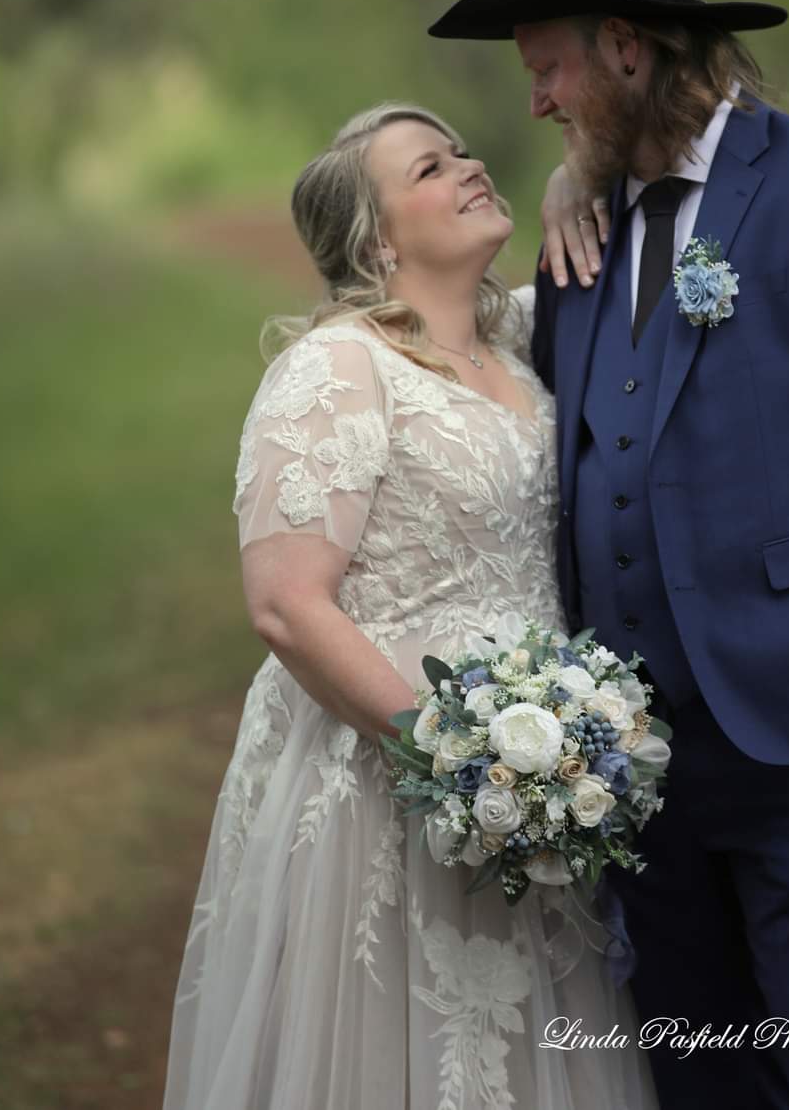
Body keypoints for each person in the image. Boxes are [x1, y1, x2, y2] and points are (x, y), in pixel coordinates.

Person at [427, 0, 789, 1110]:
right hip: (633, 761)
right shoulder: (585, 228)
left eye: (550, 68)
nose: (538, 102)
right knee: (695, 1073)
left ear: (627, 45)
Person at [161, 101, 661, 1110]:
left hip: (547, 774)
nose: (469, 168)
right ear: (376, 240)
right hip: (393, 776)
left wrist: (570, 177)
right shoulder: (337, 368)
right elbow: (287, 605)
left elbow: (615, 246)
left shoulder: (520, 342)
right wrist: (457, 761)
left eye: (463, 152)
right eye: (430, 169)